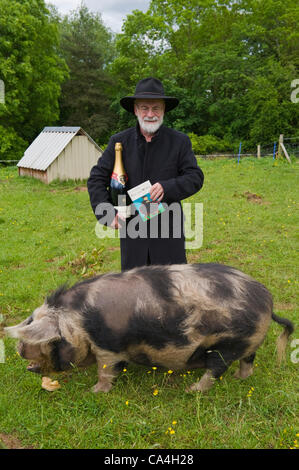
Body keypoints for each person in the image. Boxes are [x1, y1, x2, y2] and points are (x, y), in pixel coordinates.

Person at [87, 77, 204, 271]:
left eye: (156, 108)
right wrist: (107, 213)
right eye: (144, 108)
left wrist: (168, 187)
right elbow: (96, 178)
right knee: (136, 295)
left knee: (171, 293)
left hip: (168, 235)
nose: (150, 114)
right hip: (133, 235)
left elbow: (195, 176)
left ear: (164, 109)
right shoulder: (119, 142)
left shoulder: (179, 141)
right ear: (135, 110)